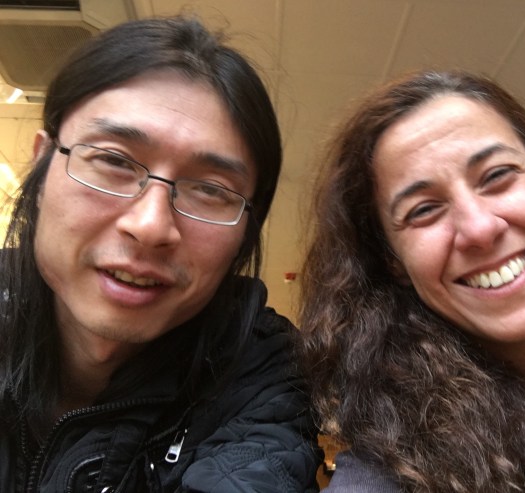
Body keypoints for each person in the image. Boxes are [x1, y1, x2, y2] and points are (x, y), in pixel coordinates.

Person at [298, 70, 525, 492]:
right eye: (423, 210)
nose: (480, 228)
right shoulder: (395, 462)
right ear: (394, 261)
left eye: (497, 175)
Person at [0, 16, 322, 492]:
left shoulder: (266, 376)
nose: (150, 226)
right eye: (112, 160)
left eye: (210, 189)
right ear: (41, 166)